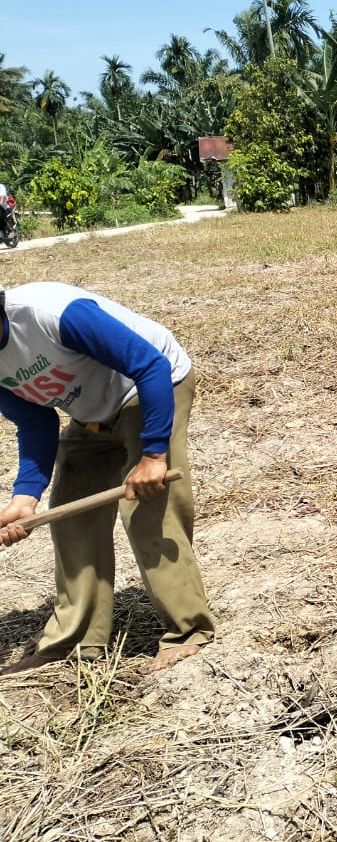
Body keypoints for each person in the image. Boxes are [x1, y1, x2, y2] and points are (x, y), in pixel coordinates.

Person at [0, 282, 215, 672]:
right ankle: (76, 639)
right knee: (69, 517)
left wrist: (153, 455)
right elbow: (35, 421)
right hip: (91, 413)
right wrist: (25, 498)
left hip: (152, 387)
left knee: (149, 510)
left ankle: (188, 630)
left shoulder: (52, 314)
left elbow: (151, 365)